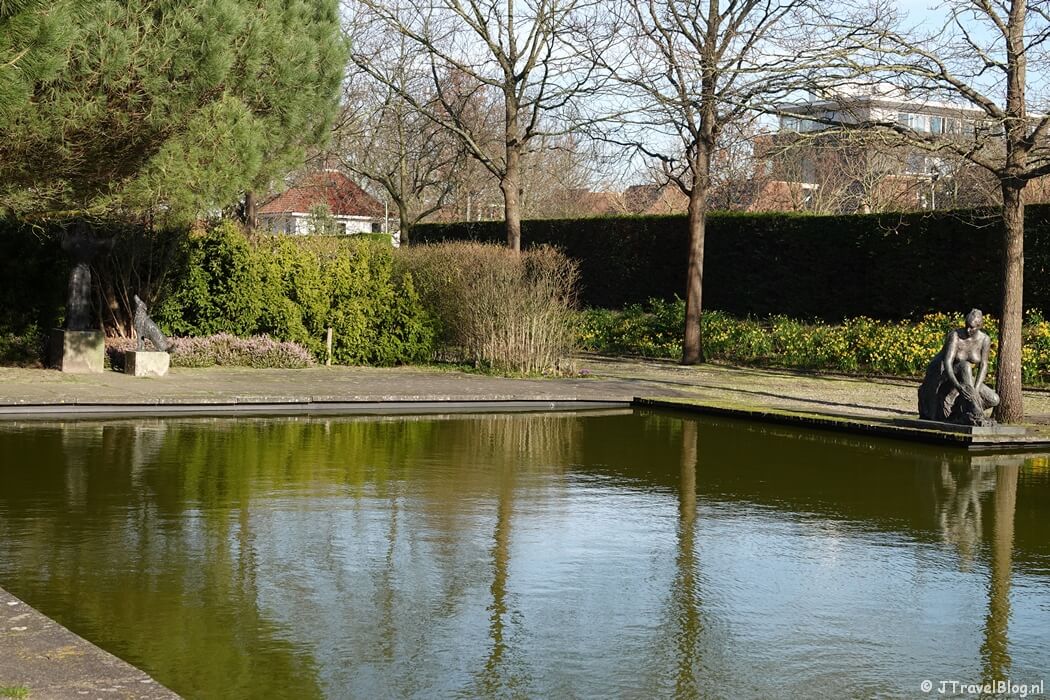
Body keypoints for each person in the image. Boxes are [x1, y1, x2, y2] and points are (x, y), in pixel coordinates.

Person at [918, 309, 1000, 425]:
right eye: (966, 325)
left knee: (994, 399)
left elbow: (984, 365)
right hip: (943, 373)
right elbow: (947, 362)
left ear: (979, 326)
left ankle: (963, 412)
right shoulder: (955, 335)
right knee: (965, 366)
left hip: (965, 377)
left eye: (972, 327)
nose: (968, 329)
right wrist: (958, 386)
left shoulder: (984, 339)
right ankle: (974, 413)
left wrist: (975, 390)